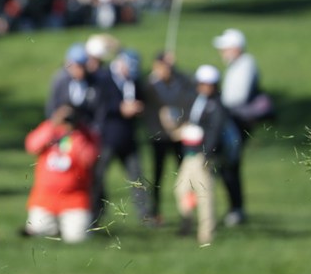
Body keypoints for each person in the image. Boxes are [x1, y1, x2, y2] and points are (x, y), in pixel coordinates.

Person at [171, 64, 233, 245]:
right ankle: (187, 221)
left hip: (203, 155)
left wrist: (207, 154)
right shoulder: (198, 100)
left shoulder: (216, 106)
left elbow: (214, 133)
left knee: (204, 194)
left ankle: (206, 233)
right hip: (190, 153)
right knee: (181, 189)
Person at [22, 104, 99, 243]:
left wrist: (76, 134)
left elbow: (90, 158)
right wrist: (53, 125)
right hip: (44, 198)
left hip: (74, 199)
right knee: (39, 231)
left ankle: (61, 226)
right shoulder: (49, 129)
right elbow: (31, 145)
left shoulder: (85, 134)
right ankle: (55, 226)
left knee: (76, 237)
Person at [212, 27, 266, 227]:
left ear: (235, 48)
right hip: (231, 121)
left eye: (225, 48)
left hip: (236, 123)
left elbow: (238, 97)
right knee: (226, 167)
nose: (222, 52)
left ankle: (237, 209)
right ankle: (234, 208)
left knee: (230, 166)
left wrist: (218, 100)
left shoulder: (246, 64)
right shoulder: (238, 65)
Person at [89, 48, 149, 227]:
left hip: (128, 138)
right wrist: (120, 108)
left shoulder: (134, 82)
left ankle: (145, 214)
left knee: (137, 178)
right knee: (98, 177)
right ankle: (95, 214)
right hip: (107, 138)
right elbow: (100, 105)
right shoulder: (104, 79)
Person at [142, 51, 195, 224]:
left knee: (185, 176)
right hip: (159, 137)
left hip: (178, 136)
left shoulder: (180, 82)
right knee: (157, 176)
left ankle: (187, 213)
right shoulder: (150, 85)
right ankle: (155, 212)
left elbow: (191, 90)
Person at [45, 43, 97, 120]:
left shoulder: (93, 80)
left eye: (83, 67)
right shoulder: (60, 80)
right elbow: (51, 109)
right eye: (77, 66)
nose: (80, 71)